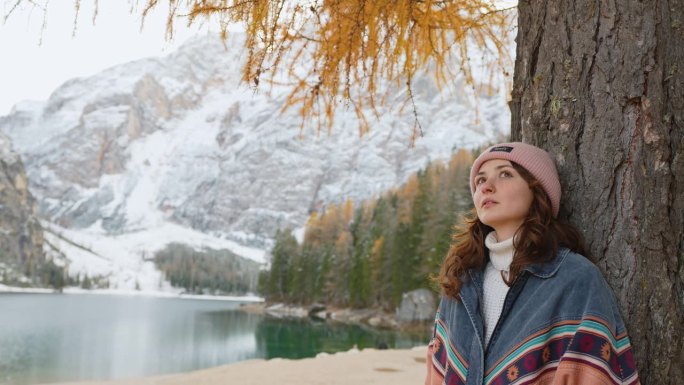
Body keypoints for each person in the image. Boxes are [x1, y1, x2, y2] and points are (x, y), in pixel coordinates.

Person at [425, 142, 640, 385]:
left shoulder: (574, 279)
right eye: (480, 181)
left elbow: (593, 375)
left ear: (538, 189)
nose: (486, 187)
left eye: (505, 174)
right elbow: (437, 376)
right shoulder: (460, 282)